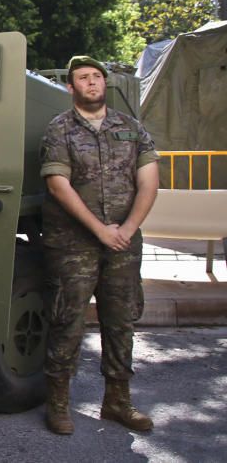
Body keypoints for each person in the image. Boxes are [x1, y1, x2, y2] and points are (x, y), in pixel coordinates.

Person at [39, 55, 160, 436]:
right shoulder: (58, 131)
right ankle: (58, 404)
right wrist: (100, 230)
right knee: (66, 321)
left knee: (121, 322)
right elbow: (59, 186)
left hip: (122, 243)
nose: (91, 83)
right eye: (82, 78)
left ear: (104, 84)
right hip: (73, 244)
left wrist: (127, 228)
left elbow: (149, 181)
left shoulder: (131, 128)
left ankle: (117, 402)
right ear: (71, 87)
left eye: (96, 77)